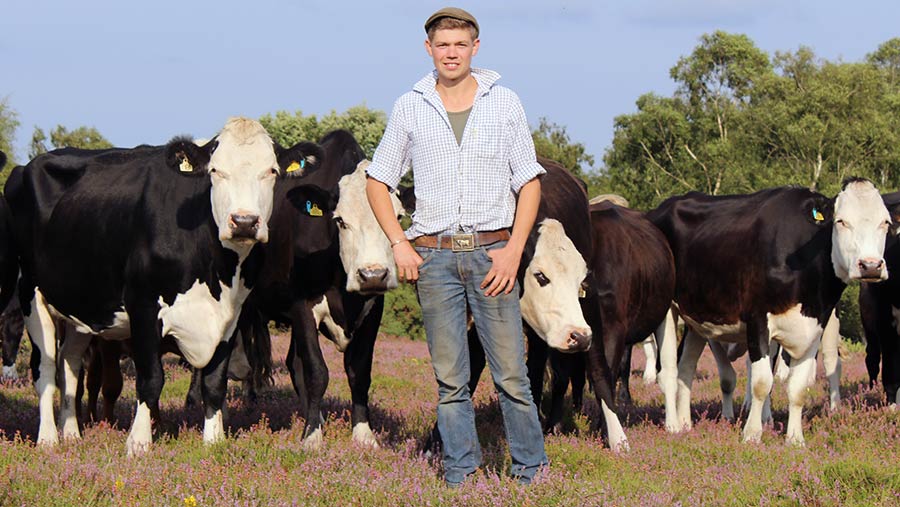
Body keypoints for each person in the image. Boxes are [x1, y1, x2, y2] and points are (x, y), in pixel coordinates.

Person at [365, 7, 548, 486]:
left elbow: (529, 182)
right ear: (429, 49)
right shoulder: (410, 106)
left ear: (475, 48)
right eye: (443, 45)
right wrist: (400, 244)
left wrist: (515, 250)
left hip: (493, 254)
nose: (451, 53)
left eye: (460, 44)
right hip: (434, 257)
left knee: (512, 377)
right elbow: (378, 180)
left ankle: (531, 473)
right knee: (451, 382)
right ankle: (460, 475)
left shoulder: (504, 103)